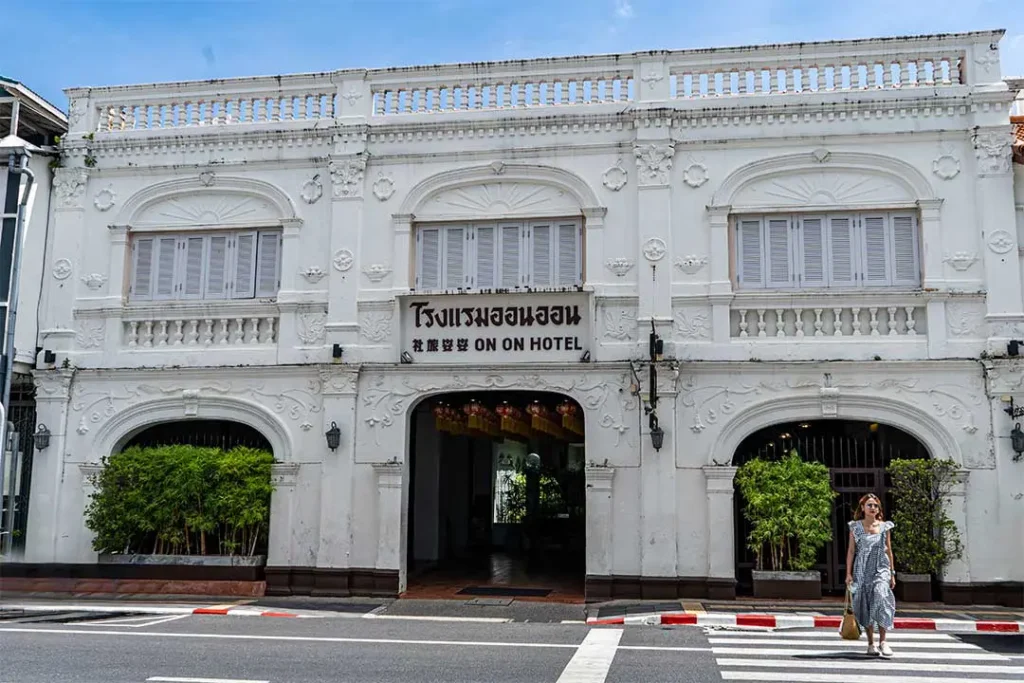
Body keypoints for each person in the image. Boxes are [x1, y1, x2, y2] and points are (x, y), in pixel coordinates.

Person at [845, 493, 896, 658]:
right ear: (863, 508)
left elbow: (888, 550)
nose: (873, 508)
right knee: (865, 603)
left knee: (881, 597)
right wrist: (848, 573)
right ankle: (870, 643)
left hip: (881, 567)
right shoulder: (855, 527)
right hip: (862, 569)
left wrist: (892, 573)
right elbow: (851, 551)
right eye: (869, 505)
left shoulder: (884, 527)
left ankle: (883, 641)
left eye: (875, 505)